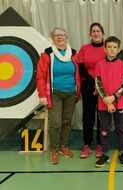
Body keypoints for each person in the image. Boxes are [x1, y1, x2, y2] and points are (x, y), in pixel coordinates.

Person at [36, 27, 80, 164]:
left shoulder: (74, 54)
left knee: (67, 121)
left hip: (71, 93)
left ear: (66, 37)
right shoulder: (47, 54)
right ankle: (54, 149)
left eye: (62, 35)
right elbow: (40, 76)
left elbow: (79, 73)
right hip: (54, 93)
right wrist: (42, 94)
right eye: (56, 35)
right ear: (52, 38)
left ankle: (63, 146)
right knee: (55, 123)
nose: (60, 37)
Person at [94, 36, 123, 167]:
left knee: (121, 129)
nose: (112, 50)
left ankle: (122, 153)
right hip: (103, 104)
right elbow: (98, 83)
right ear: (105, 48)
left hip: (119, 103)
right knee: (104, 129)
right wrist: (106, 101)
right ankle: (104, 154)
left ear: (118, 49)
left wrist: (114, 98)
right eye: (109, 47)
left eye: (114, 47)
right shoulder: (99, 64)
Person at [75, 22, 105, 159]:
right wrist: (93, 83)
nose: (96, 33)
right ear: (90, 34)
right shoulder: (84, 48)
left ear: (102, 33)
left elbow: (110, 67)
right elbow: (81, 68)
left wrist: (99, 85)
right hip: (88, 86)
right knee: (88, 116)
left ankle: (100, 145)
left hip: (104, 87)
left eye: (98, 31)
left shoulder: (107, 47)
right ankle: (87, 145)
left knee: (101, 117)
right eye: (93, 31)